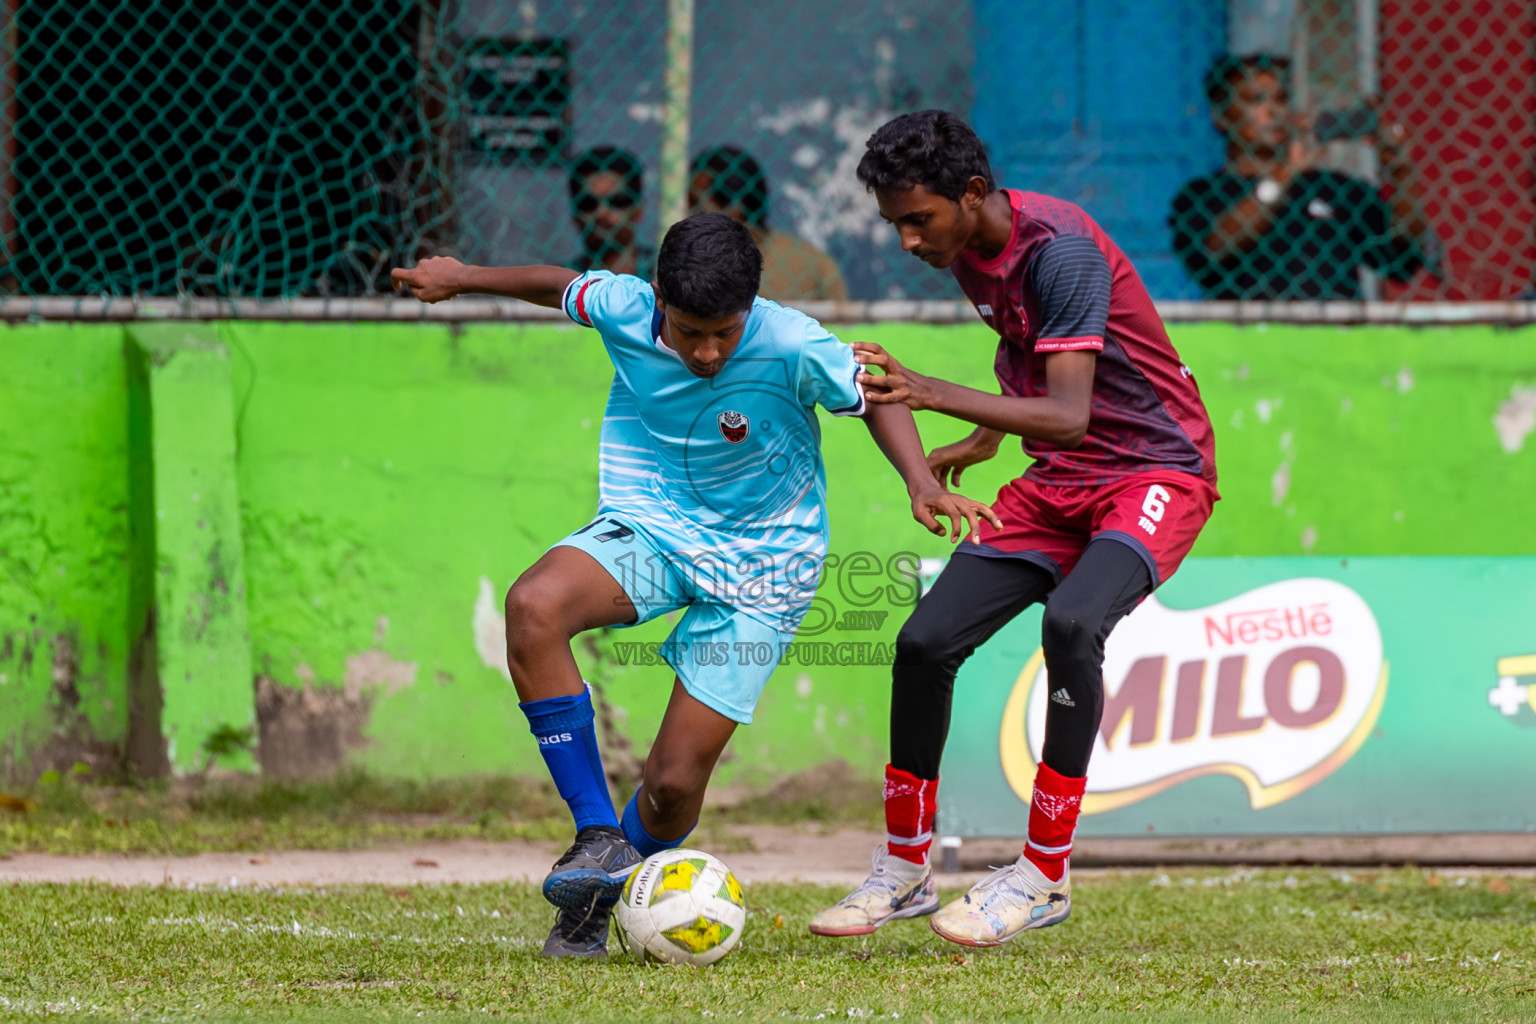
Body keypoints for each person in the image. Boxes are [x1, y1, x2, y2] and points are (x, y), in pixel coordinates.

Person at [391, 213, 998, 958]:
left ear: (752, 309)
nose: (707, 352)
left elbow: (875, 396)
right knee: (535, 605)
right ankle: (597, 838)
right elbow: (557, 285)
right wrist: (463, 277)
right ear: (657, 302)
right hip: (654, 531)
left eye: (725, 333)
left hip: (764, 572)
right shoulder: (623, 306)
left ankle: (596, 898)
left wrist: (916, 482)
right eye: (689, 333)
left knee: (674, 785)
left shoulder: (791, 340)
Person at [809, 111, 1219, 947]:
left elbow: (1068, 413)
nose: (907, 241)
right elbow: (1026, 349)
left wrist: (927, 391)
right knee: (924, 643)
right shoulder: (969, 248)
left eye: (916, 220)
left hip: (1154, 469)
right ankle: (903, 869)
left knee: (1072, 623)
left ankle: (1042, 874)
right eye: (894, 224)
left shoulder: (1060, 249)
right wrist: (990, 434)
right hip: (1060, 480)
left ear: (970, 194)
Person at [1169, 53, 1430, 299]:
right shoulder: (1202, 195)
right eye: (1256, 100)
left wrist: (1401, 170)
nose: (1273, 112)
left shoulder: (1332, 188)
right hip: (1249, 341)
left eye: (1281, 99)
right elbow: (1215, 250)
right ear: (1221, 116)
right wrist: (1286, 174)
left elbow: (1401, 256)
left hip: (1336, 341)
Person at [689, 145, 849, 302]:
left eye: (694, 202)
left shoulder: (814, 268)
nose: (685, 215)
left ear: (735, 209)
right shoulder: (684, 267)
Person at [567, 146, 653, 277]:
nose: (601, 213)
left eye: (617, 201)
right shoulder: (563, 282)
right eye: (588, 203)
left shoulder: (666, 273)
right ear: (575, 214)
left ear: (638, 210)